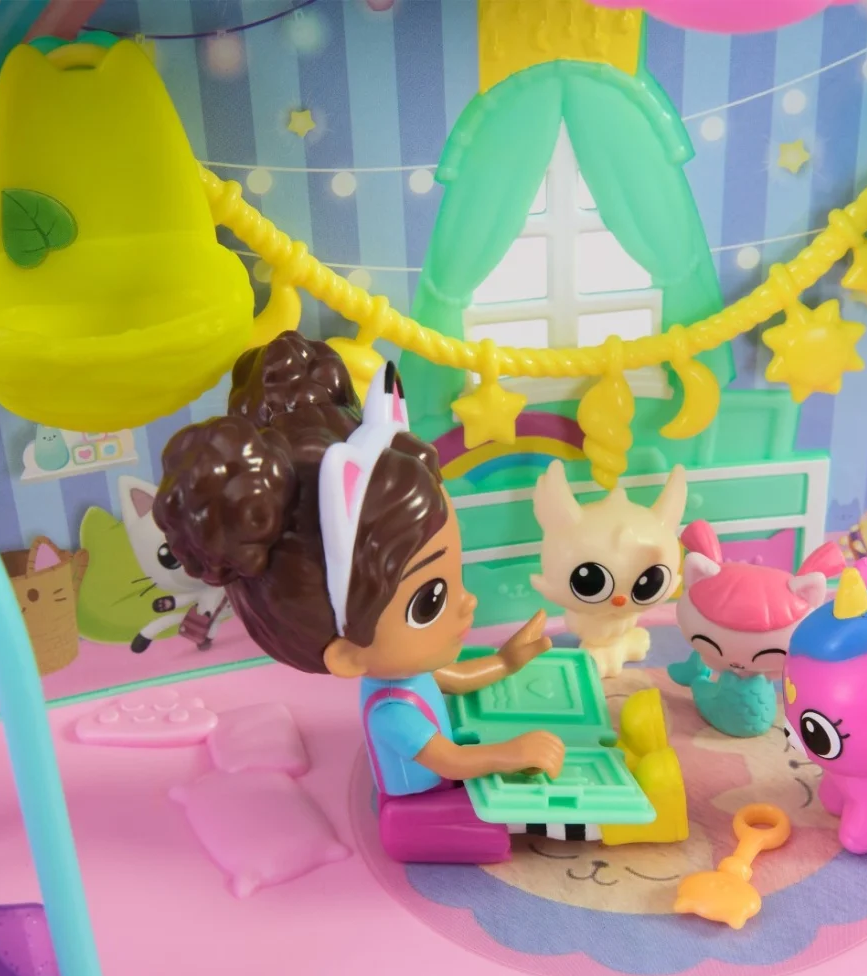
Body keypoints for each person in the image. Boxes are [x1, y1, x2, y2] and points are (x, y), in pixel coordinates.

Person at [153, 331, 564, 862]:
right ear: (347, 654)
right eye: (430, 600)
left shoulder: (401, 674)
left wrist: (506, 661)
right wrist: (511, 753)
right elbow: (450, 761)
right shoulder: (393, 712)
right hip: (419, 804)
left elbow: (449, 677)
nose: (468, 604)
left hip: (437, 783)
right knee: (502, 828)